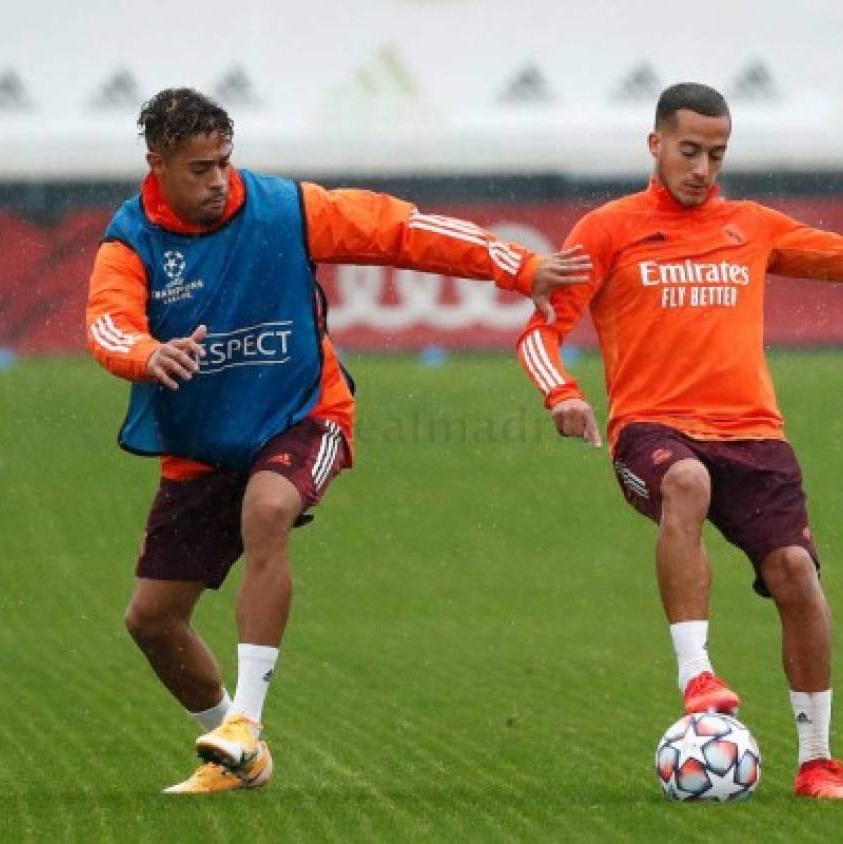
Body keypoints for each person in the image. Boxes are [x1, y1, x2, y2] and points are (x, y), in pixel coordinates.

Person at [515, 82, 843, 800]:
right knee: (686, 484)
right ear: (656, 144)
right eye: (690, 151)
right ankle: (696, 671)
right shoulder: (607, 230)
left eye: (717, 154)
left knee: (797, 572)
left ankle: (818, 762)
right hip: (654, 431)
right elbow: (540, 331)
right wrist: (563, 393)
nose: (702, 168)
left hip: (755, 437)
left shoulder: (752, 226)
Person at [86, 87, 591, 794]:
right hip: (202, 445)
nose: (217, 181)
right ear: (157, 163)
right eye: (199, 168)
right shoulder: (131, 242)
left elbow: (401, 230)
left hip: (303, 413)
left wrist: (519, 266)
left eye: (224, 163)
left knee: (267, 511)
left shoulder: (283, 211)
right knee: (153, 621)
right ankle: (240, 753)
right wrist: (146, 354)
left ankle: (245, 726)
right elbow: (107, 324)